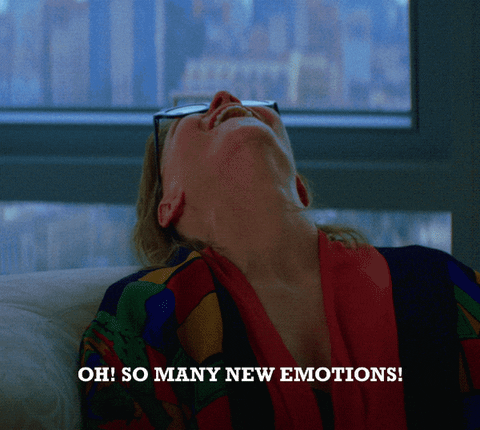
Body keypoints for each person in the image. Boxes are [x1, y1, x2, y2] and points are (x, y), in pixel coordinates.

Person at [79, 91, 479, 429]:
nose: (226, 98)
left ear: (299, 185)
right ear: (167, 203)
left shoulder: (441, 281)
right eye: (188, 114)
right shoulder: (145, 313)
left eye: (255, 104)